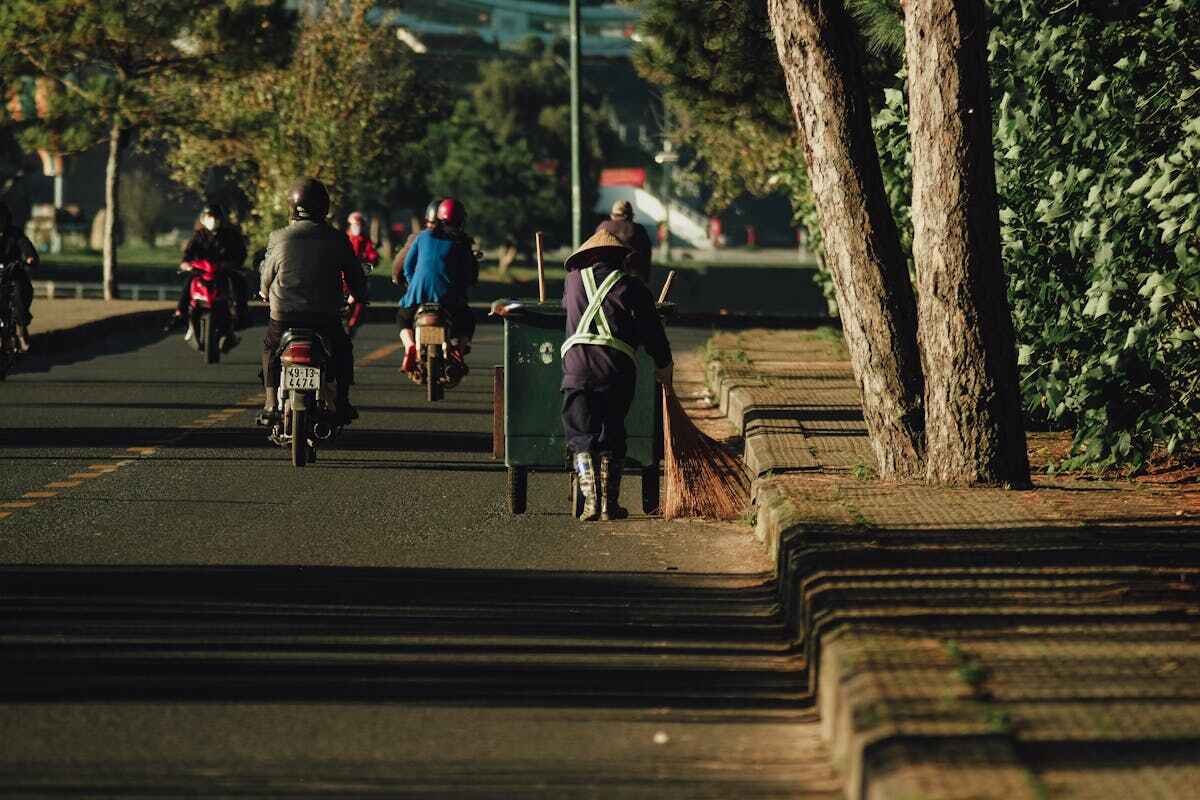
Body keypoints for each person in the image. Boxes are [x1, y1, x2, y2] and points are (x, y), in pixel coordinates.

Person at [559, 230, 672, 522]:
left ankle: (590, 503)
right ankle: (610, 505)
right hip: (615, 372)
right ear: (621, 259)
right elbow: (652, 331)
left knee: (581, 436)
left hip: (576, 371)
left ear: (587, 258)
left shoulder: (572, 282)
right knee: (611, 432)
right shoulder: (632, 287)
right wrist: (664, 364)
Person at [256, 178, 366, 427]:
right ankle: (343, 401)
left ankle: (271, 402)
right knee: (342, 349)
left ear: (291, 207)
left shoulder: (279, 237)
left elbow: (267, 273)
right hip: (324, 316)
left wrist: (263, 292)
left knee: (270, 348)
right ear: (324, 207)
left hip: (284, 314)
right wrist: (358, 294)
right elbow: (354, 274)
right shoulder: (337, 239)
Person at [397, 197, 476, 375]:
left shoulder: (423, 236)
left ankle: (409, 345)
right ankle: (458, 351)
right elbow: (466, 274)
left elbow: (408, 266)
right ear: (461, 220)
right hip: (448, 298)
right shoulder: (461, 243)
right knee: (467, 319)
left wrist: (413, 285)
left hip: (418, 294)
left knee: (402, 318)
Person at [166, 203, 250, 337]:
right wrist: (187, 265)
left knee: (238, 281)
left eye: (216, 217)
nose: (212, 220)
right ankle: (179, 314)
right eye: (209, 216)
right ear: (203, 218)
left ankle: (241, 314)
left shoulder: (231, 235)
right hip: (202, 272)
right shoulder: (199, 236)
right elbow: (187, 256)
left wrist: (231, 264)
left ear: (222, 219)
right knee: (188, 283)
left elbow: (241, 254)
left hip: (224, 271)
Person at [0, 201, 39, 352]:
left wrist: (29, 258)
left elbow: (26, 246)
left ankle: (22, 328)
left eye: (1, 217)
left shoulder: (15, 233)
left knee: (20, 295)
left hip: (13, 273)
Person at [595, 199, 653, 284]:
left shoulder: (603, 227)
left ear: (612, 215)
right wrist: (645, 278)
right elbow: (647, 254)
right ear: (630, 216)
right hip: (633, 278)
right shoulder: (639, 230)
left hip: (604, 278)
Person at [391, 199, 440, 287]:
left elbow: (399, 266)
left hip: (422, 291)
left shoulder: (419, 239)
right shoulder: (461, 242)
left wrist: (398, 277)